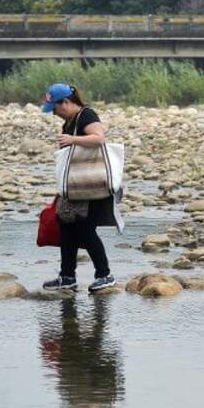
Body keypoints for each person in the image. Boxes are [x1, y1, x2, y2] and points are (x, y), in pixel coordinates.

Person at [41, 83, 118, 293]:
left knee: (85, 229)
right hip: (75, 185)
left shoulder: (86, 115)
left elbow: (99, 138)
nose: (54, 114)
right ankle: (67, 276)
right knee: (66, 226)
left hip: (90, 184)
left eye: (55, 109)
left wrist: (73, 139)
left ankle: (105, 274)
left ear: (65, 102)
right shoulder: (69, 122)